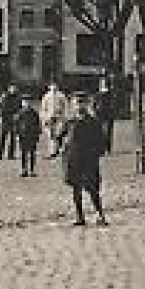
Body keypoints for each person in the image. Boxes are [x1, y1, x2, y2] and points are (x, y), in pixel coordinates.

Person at [59, 93, 109, 226]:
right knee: (76, 189)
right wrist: (63, 149)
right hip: (74, 159)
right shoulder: (70, 122)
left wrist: (95, 154)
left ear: (86, 105)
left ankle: (100, 214)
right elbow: (60, 136)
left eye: (82, 103)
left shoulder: (93, 122)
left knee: (92, 189)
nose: (79, 106)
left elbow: (102, 142)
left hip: (88, 160)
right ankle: (80, 216)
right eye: (77, 103)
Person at [14, 96, 42, 177]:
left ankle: (32, 170)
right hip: (23, 135)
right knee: (23, 153)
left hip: (32, 135)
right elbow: (16, 124)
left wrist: (37, 134)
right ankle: (24, 169)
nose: (27, 103)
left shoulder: (34, 113)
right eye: (25, 102)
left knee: (32, 153)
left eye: (28, 102)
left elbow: (38, 124)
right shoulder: (20, 113)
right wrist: (17, 134)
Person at [39, 82, 68, 158]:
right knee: (51, 135)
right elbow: (43, 108)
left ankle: (58, 150)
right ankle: (52, 151)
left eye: (55, 88)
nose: (53, 90)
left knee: (59, 134)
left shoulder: (61, 96)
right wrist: (44, 118)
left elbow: (65, 107)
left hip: (59, 117)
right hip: (49, 118)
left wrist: (64, 117)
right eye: (52, 88)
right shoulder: (46, 96)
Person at [0, 85, 23, 159]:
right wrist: (0, 117)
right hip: (5, 119)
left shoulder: (18, 97)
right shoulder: (4, 97)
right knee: (2, 137)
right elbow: (0, 107)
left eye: (14, 89)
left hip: (13, 119)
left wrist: (18, 115)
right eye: (12, 88)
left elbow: (20, 108)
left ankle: (11, 154)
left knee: (12, 138)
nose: (13, 90)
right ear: (9, 89)